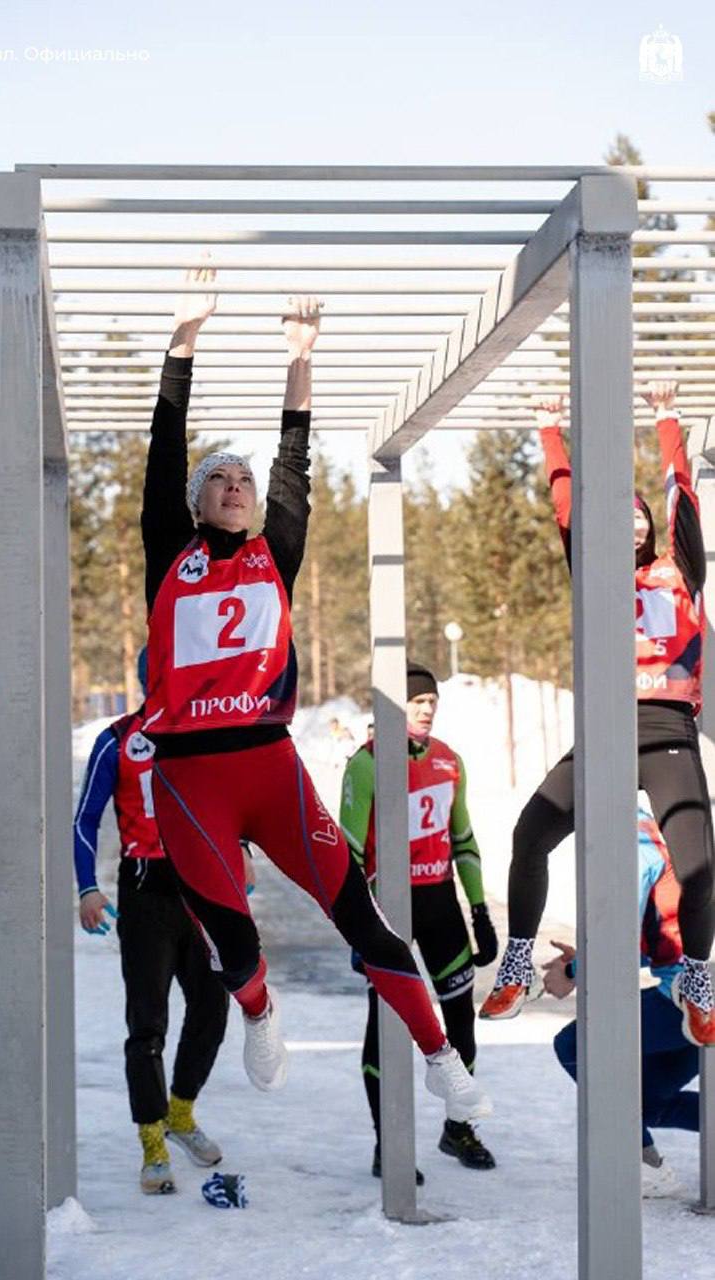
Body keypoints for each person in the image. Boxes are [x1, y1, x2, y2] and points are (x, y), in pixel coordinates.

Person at [140, 265, 490, 1129]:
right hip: (189, 779)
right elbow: (165, 439)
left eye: (243, 480)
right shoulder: (170, 553)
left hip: (270, 766)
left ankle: (440, 1059)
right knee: (234, 943)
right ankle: (260, 1011)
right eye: (219, 478)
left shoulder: (276, 553)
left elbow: (294, 457)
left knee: (364, 921)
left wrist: (301, 356)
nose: (235, 485)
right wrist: (185, 335)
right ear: (195, 501)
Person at [481, 383, 715, 1047]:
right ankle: (517, 963)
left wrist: (666, 417)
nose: (632, 524)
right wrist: (549, 430)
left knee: (699, 866)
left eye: (639, 516)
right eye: (620, 516)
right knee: (531, 833)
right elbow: (566, 505)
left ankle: (698, 978)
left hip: (667, 731)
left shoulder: (680, 573)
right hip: (606, 731)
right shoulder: (594, 574)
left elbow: (683, 500)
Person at [74, 650, 229, 1195]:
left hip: (201, 891)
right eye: (161, 676)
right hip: (145, 894)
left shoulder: (206, 734)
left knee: (212, 1008)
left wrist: (242, 852)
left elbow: (229, 803)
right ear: (146, 680)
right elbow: (86, 818)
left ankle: (180, 1114)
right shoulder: (117, 739)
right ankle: (152, 1145)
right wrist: (87, 887)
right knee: (147, 1024)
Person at [341, 664, 498, 1177]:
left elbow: (463, 839)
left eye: (432, 701)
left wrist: (479, 910)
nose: (427, 709)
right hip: (388, 911)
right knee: (386, 1025)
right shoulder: (366, 764)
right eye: (416, 702)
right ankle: (387, 1143)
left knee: (460, 1021)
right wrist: (356, 924)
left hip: (440, 906)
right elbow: (349, 854)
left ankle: (459, 1127)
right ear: (394, 707)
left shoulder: (449, 760)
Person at [543, 807, 700, 1197]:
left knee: (574, 1046)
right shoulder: (654, 831)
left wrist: (573, 971)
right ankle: (648, 1162)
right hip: (691, 991)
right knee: (645, 1105)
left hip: (690, 999)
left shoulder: (628, 844)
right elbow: (658, 939)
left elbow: (619, 947)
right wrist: (583, 961)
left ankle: (646, 1167)